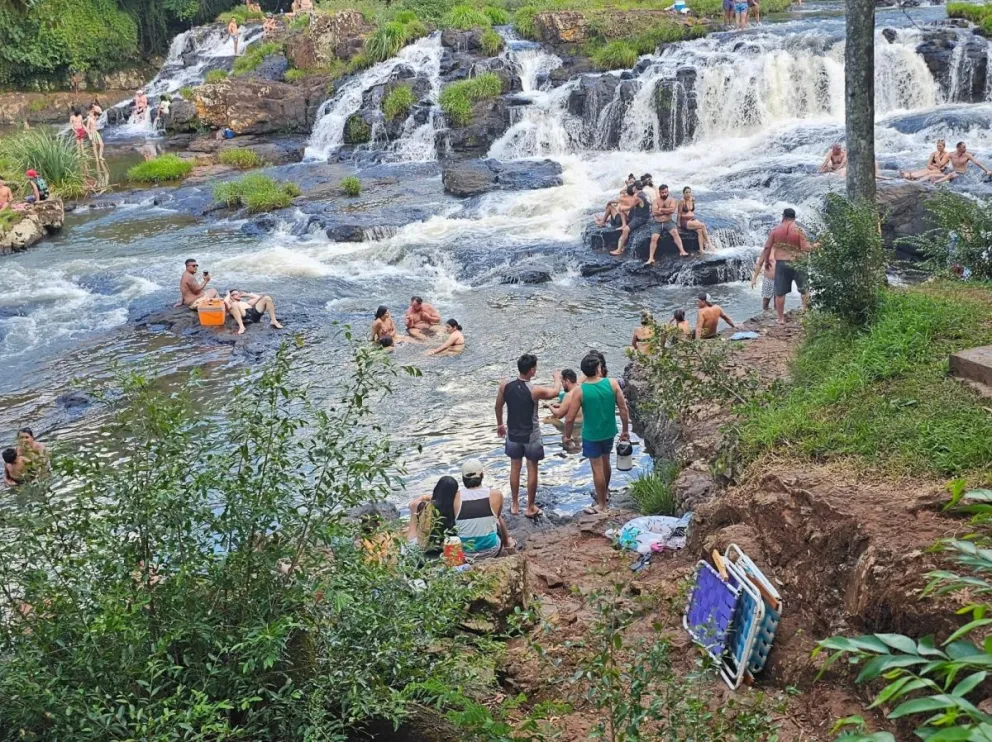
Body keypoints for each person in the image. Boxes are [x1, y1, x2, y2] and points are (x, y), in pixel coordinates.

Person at [495, 354, 562, 518]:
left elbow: (497, 406)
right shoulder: (535, 390)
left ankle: (515, 503)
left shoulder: (505, 385)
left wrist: (500, 425)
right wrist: (557, 378)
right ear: (532, 370)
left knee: (515, 467)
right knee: (532, 468)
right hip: (531, 434)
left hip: (512, 433)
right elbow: (555, 392)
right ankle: (530, 506)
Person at [564, 353, 630, 515]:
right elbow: (623, 409)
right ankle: (605, 493)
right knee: (605, 460)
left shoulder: (580, 391)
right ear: (598, 368)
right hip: (609, 431)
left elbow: (570, 418)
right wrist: (625, 431)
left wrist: (567, 436)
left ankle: (601, 505)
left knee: (596, 468)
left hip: (591, 434)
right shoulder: (613, 384)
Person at [755, 207, 814, 324]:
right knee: (804, 290)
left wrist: (766, 261)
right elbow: (805, 248)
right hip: (798, 262)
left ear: (783, 217)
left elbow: (767, 247)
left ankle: (780, 319)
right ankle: (807, 313)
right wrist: (816, 245)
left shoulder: (775, 230)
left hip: (781, 263)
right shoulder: (799, 230)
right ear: (794, 218)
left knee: (780, 293)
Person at [454, 459, 514, 558]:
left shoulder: (455, 497)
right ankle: (508, 543)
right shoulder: (495, 494)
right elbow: (497, 517)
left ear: (463, 478)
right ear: (482, 475)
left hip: (465, 554)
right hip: (492, 551)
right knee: (497, 518)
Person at [407, 475, 459, 554]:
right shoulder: (455, 507)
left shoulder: (426, 506)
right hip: (447, 549)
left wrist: (425, 496)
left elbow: (412, 504)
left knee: (413, 524)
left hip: (424, 549)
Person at [645, 184, 688, 265]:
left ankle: (682, 251)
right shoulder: (655, 201)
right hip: (657, 223)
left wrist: (660, 209)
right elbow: (654, 212)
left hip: (669, 222)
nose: (664, 194)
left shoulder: (672, 200)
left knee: (675, 233)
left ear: (668, 191)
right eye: (662, 192)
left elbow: (672, 211)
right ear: (659, 192)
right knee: (654, 238)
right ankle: (651, 258)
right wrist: (666, 211)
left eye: (666, 192)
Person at [610, 182, 650, 256]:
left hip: (640, 218)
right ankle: (624, 224)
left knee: (626, 230)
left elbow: (629, 207)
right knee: (625, 212)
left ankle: (619, 250)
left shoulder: (638, 197)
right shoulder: (644, 194)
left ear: (634, 188)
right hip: (645, 215)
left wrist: (620, 208)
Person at [677, 186, 710, 252]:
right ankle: (709, 243)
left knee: (700, 230)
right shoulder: (682, 201)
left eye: (689, 192)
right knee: (702, 225)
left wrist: (693, 218)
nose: (688, 194)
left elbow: (691, 211)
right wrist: (678, 224)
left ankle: (701, 249)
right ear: (683, 193)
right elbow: (679, 213)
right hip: (684, 221)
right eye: (686, 192)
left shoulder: (692, 199)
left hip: (691, 219)